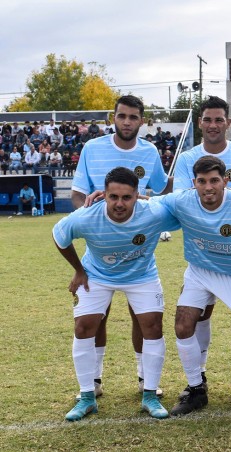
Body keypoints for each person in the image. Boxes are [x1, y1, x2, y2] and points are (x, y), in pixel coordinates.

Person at [53, 167, 179, 421]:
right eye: (113, 197)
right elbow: (59, 236)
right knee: (83, 327)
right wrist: (78, 270)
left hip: (141, 276)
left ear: (136, 196)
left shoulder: (153, 211)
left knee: (152, 326)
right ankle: (87, 396)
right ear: (104, 195)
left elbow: (182, 208)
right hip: (97, 275)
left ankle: (150, 394)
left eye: (127, 197)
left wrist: (148, 199)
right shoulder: (87, 216)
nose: (119, 204)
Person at [71, 95, 172, 399]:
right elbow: (78, 196)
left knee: (142, 316)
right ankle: (95, 381)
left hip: (138, 249)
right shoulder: (92, 148)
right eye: (122, 116)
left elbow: (163, 190)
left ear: (142, 121)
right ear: (112, 118)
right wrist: (89, 209)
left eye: (133, 117)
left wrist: (151, 202)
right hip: (100, 248)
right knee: (96, 317)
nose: (127, 122)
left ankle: (145, 378)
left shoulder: (149, 151)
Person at [171, 95, 231, 395]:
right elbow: (176, 201)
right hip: (201, 258)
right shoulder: (187, 158)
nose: (213, 125)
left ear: (228, 122)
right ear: (200, 123)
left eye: (218, 119)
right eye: (207, 120)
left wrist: (228, 197)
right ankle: (197, 380)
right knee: (195, 317)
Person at [157, 156, 231, 417]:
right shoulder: (182, 199)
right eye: (202, 181)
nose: (208, 187)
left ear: (225, 181)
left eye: (214, 180)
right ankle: (196, 390)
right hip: (199, 270)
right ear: (194, 183)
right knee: (183, 325)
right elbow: (148, 204)